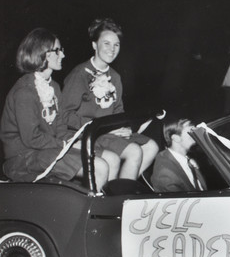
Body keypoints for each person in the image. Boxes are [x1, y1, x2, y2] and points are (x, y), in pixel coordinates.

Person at [0, 28, 119, 191]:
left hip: (47, 149)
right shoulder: (25, 91)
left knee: (111, 159)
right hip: (24, 157)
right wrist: (65, 144)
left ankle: (105, 210)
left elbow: (61, 126)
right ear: (42, 53)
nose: (62, 55)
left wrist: (73, 143)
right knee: (100, 167)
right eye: (57, 50)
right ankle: (91, 213)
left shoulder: (54, 87)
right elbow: (32, 139)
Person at [62, 18, 159, 180]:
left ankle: (121, 184)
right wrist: (103, 128)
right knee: (134, 151)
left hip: (107, 133)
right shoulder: (79, 74)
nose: (112, 49)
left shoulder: (115, 76)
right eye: (106, 43)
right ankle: (115, 195)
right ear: (94, 45)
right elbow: (65, 116)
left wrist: (124, 127)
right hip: (86, 133)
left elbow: (118, 111)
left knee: (151, 147)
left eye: (116, 45)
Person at [151, 118, 206, 192]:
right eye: (190, 131)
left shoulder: (185, 159)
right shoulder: (166, 174)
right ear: (176, 138)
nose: (195, 133)